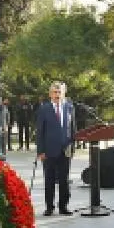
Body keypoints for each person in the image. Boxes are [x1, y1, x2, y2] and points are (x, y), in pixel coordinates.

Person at [36, 83, 75, 216]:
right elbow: (40, 131)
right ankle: (49, 207)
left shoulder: (69, 107)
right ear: (50, 94)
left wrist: (72, 147)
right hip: (49, 151)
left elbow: (73, 129)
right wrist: (40, 151)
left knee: (64, 180)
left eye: (59, 92)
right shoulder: (44, 109)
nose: (57, 95)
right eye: (54, 92)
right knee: (49, 180)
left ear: (64, 93)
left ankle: (63, 206)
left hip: (66, 150)